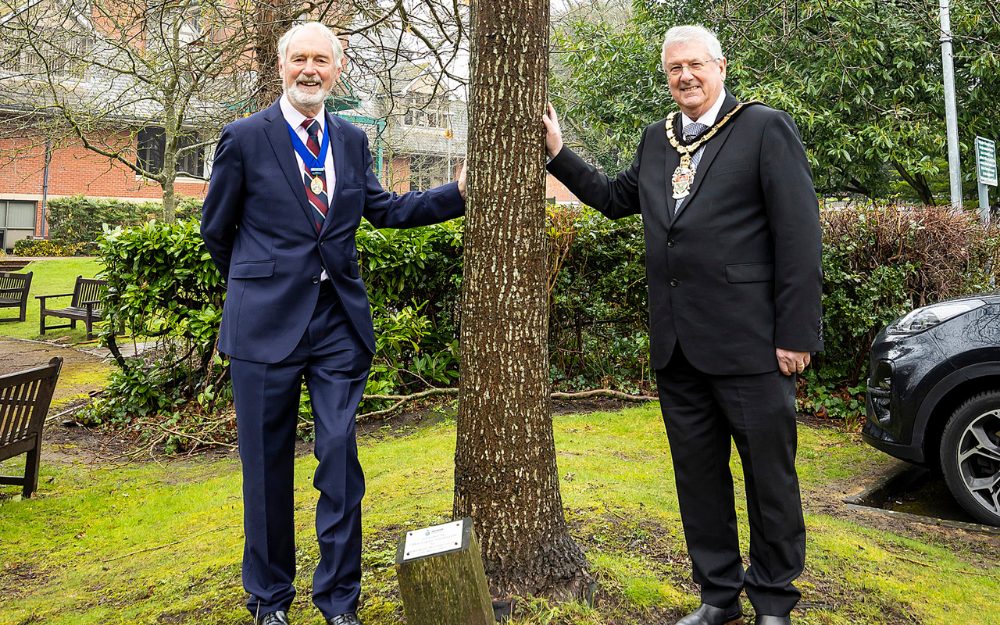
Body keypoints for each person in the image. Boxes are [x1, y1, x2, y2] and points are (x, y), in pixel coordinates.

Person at [543, 25, 822, 625]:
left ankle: (774, 600)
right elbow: (616, 198)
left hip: (752, 346)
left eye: (695, 65)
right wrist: (558, 153)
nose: (685, 78)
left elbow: (799, 237)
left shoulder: (764, 129)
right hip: (678, 347)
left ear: (720, 67)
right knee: (698, 480)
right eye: (674, 69)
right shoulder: (657, 137)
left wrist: (797, 334)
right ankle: (718, 596)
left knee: (768, 480)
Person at [201, 22, 466, 625]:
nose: (310, 69)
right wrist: (260, 284)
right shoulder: (243, 138)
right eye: (300, 59)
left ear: (339, 69)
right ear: (281, 65)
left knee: (340, 460)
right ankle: (269, 600)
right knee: (266, 470)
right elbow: (217, 231)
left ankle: (339, 601)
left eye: (323, 59)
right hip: (263, 329)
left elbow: (386, 210)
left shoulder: (350, 140)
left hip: (337, 324)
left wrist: (459, 191)